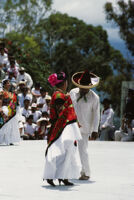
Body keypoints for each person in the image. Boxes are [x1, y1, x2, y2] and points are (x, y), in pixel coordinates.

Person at [43, 72, 81, 187]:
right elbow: (61, 112)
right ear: (64, 83)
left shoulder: (60, 95)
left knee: (67, 152)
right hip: (60, 129)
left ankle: (63, 176)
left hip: (64, 127)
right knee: (58, 152)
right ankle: (51, 176)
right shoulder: (59, 96)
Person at [70, 70, 100, 180]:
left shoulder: (94, 98)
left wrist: (95, 130)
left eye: (85, 87)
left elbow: (96, 115)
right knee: (69, 150)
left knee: (83, 151)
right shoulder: (73, 92)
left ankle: (86, 172)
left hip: (85, 128)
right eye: (81, 87)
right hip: (71, 126)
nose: (83, 89)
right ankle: (69, 171)